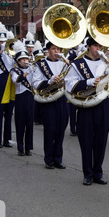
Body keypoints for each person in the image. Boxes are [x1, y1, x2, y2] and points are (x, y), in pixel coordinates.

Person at [65, 37, 109, 186]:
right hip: (86, 107)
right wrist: (88, 82)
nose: (99, 49)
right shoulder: (77, 64)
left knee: (101, 141)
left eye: (101, 46)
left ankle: (98, 172)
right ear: (89, 47)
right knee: (86, 141)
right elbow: (69, 84)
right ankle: (87, 174)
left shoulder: (106, 64)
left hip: (103, 105)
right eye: (96, 46)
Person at [32, 41, 69, 169]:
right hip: (48, 100)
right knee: (50, 130)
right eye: (54, 49)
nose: (57, 51)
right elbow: (36, 83)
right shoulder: (41, 64)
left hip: (62, 100)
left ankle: (58, 158)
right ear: (48, 50)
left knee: (61, 129)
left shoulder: (64, 63)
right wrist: (49, 81)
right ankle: (49, 159)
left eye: (59, 48)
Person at [10, 41, 34, 156]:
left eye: (26, 59)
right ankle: (20, 147)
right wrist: (25, 73)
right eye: (23, 59)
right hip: (20, 99)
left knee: (29, 124)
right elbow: (16, 80)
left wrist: (33, 71)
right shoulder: (14, 71)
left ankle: (28, 147)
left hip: (30, 98)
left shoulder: (31, 69)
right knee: (20, 124)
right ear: (18, 61)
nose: (26, 61)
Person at [0, 26, 15, 148]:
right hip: (0, 82)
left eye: (3, 42)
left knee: (9, 113)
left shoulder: (9, 54)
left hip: (9, 82)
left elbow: (14, 67)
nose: (2, 44)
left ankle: (7, 139)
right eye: (0, 42)